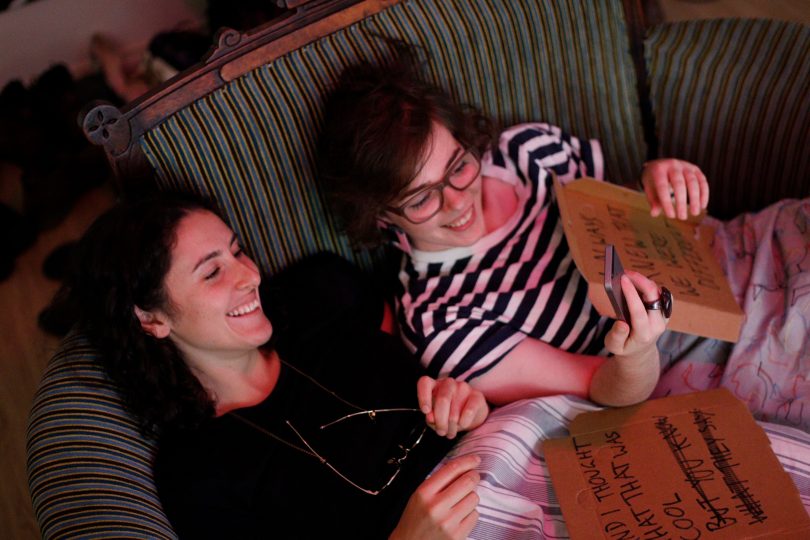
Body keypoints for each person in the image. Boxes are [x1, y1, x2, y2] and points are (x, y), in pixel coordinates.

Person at [63, 192, 490, 539]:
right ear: (151, 318)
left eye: (237, 250)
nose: (250, 276)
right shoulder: (198, 476)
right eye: (212, 273)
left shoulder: (322, 291)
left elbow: (424, 367)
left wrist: (461, 402)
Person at [317, 45, 710, 408]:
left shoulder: (528, 151)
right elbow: (603, 387)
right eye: (420, 199)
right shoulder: (439, 321)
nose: (457, 201)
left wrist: (658, 183)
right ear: (381, 216)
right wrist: (638, 352)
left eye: (458, 166)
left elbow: (620, 216)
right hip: (656, 369)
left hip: (712, 270)